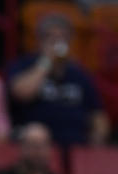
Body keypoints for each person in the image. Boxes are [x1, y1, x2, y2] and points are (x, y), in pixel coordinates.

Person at [7, 13, 109, 146]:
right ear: (39, 41)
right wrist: (46, 62)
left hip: (76, 144)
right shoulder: (23, 64)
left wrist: (98, 137)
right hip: (35, 145)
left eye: (62, 37)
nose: (57, 42)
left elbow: (98, 114)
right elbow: (22, 93)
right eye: (50, 37)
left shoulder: (79, 74)